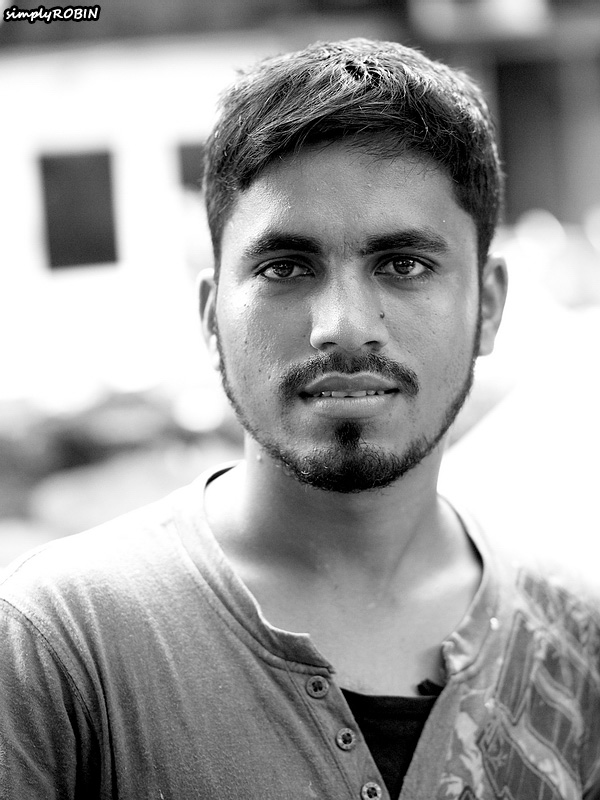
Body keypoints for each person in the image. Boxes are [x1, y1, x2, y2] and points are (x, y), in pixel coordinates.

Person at [1, 38, 599, 800]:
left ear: (487, 306)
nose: (344, 326)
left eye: (404, 264)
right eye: (285, 267)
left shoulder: (576, 640)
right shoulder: (62, 648)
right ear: (211, 316)